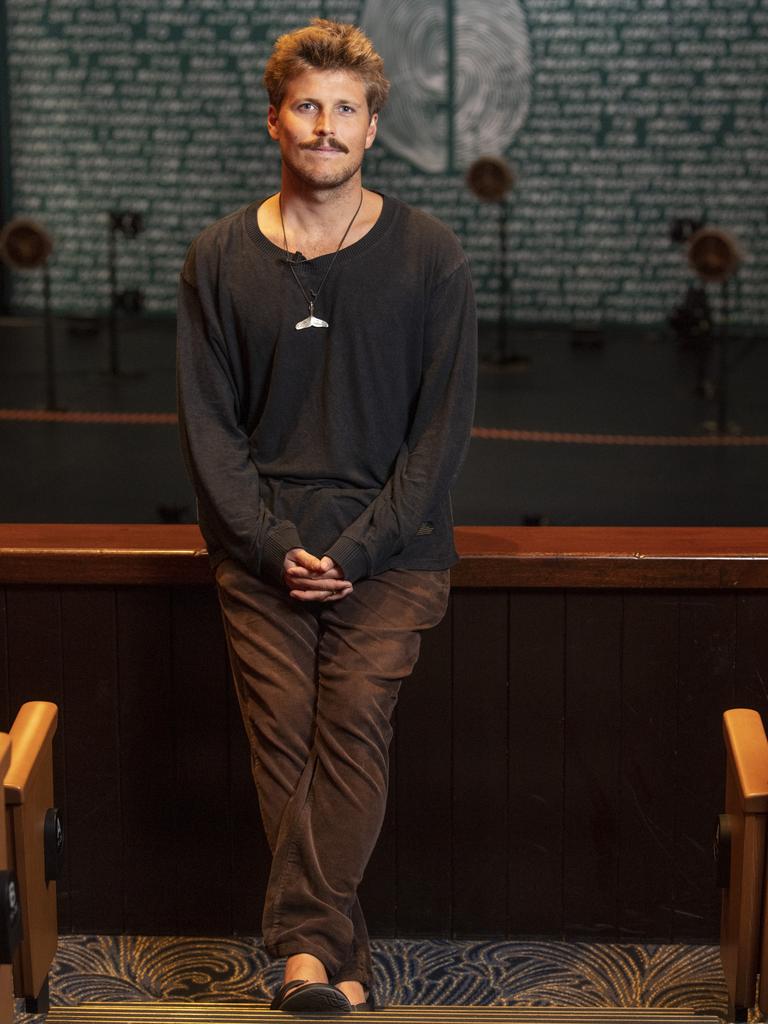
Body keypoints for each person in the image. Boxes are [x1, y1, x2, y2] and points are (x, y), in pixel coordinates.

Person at [176, 18, 477, 1013]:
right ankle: (342, 973)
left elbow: (439, 438)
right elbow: (211, 432)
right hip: (262, 555)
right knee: (287, 735)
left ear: (372, 128)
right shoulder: (217, 260)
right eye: (308, 105)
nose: (326, 125)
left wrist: (354, 550)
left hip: (395, 554)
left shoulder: (432, 257)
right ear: (275, 120)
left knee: (351, 721)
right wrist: (272, 546)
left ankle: (305, 954)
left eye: (346, 109)